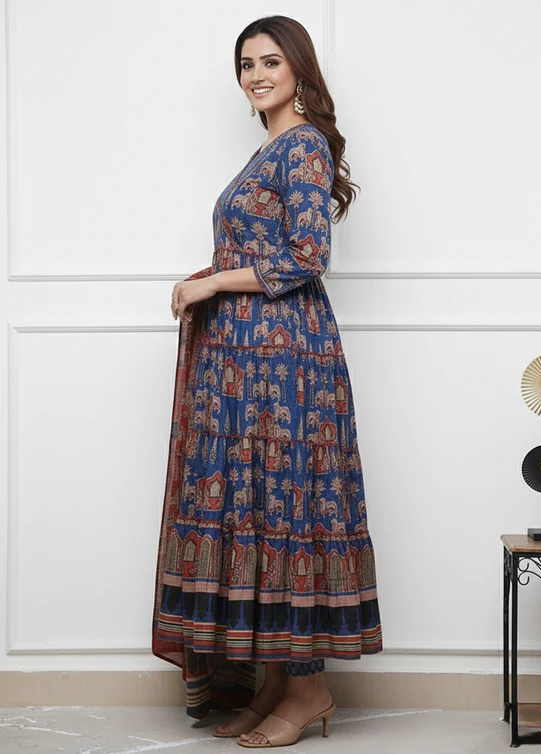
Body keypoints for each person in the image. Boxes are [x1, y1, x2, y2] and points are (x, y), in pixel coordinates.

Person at [152, 14, 383, 749]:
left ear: (299, 70)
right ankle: (277, 682)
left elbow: (308, 257)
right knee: (255, 505)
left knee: (288, 507)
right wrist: (210, 280)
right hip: (247, 362)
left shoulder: (304, 145)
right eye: (246, 64)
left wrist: (213, 282)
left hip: (287, 363)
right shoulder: (270, 149)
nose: (255, 75)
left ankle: (310, 689)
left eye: (270, 62)